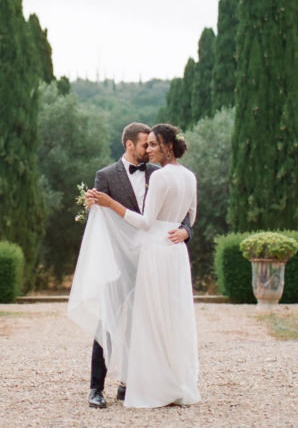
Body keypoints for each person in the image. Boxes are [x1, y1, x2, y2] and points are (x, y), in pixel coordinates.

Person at [68, 123, 200, 409]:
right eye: (144, 144)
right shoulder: (105, 176)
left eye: (152, 144)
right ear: (130, 145)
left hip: (153, 260)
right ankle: (96, 388)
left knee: (149, 324)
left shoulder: (160, 173)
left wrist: (187, 232)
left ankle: (132, 383)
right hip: (119, 262)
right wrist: (93, 203)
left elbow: (182, 216)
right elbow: (99, 221)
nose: (148, 148)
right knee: (107, 322)